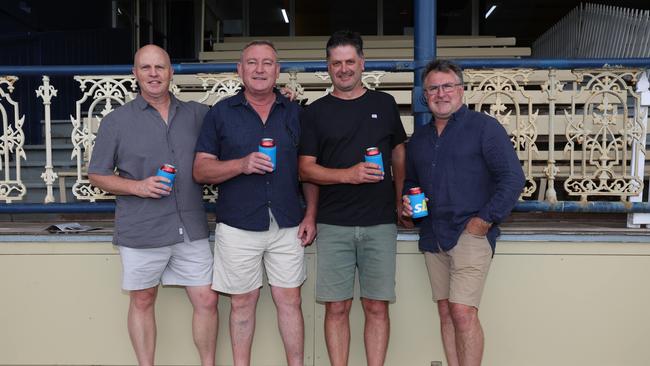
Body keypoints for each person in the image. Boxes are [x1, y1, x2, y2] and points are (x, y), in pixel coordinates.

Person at [88, 44, 218, 366]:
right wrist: (138, 186)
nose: (154, 74)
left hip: (190, 226)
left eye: (160, 67)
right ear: (135, 74)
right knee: (143, 299)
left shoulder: (198, 114)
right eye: (145, 68)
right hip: (142, 226)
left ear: (171, 72)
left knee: (207, 299)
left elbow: (237, 118)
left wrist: (278, 96)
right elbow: (96, 175)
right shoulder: (116, 121)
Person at [193, 40, 317, 366]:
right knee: (242, 303)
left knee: (290, 300)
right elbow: (201, 169)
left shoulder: (297, 112)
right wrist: (241, 164)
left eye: (267, 63)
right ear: (239, 69)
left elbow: (309, 171)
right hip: (237, 223)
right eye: (252, 62)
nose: (260, 69)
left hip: (288, 221)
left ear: (277, 71)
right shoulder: (220, 113)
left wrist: (311, 215)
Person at [402, 59, 525, 366]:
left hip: (469, 234)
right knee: (445, 310)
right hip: (433, 235)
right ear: (425, 95)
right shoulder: (418, 139)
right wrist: (410, 206)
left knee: (462, 311)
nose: (441, 94)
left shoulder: (484, 128)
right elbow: (413, 184)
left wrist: (484, 220)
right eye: (433, 88)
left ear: (461, 91)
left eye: (447, 86)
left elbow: (512, 179)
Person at [298, 31, 409, 366]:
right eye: (336, 63)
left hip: (379, 222)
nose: (343, 69)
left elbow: (399, 153)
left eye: (349, 61)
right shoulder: (315, 112)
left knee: (376, 306)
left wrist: (399, 198)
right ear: (327, 68)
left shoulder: (384, 103)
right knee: (337, 307)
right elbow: (306, 170)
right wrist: (348, 174)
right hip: (334, 224)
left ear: (362, 63)